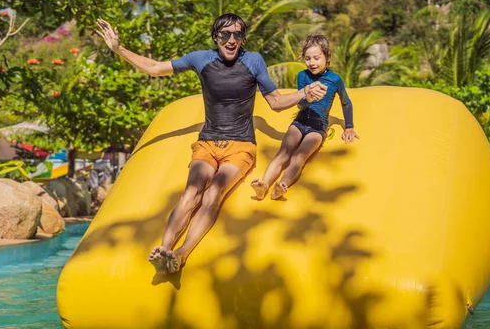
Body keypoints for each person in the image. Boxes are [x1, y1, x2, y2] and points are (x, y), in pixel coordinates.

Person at [95, 14, 327, 274]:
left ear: (243, 38)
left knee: (214, 191)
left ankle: (181, 254)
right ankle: (164, 249)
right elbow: (155, 68)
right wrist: (118, 48)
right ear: (215, 36)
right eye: (225, 34)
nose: (231, 40)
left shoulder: (253, 61)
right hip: (206, 144)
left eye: (237, 35)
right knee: (191, 192)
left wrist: (304, 93)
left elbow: (275, 102)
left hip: (240, 147)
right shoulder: (201, 59)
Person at [251, 34, 360, 200]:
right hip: (300, 121)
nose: (312, 63)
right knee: (283, 152)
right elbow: (300, 105)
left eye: (316, 58)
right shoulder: (303, 76)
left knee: (299, 156)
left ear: (327, 57)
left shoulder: (335, 79)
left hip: (318, 127)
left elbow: (346, 102)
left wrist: (349, 126)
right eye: (308, 58)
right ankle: (264, 184)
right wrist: (307, 97)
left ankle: (281, 186)